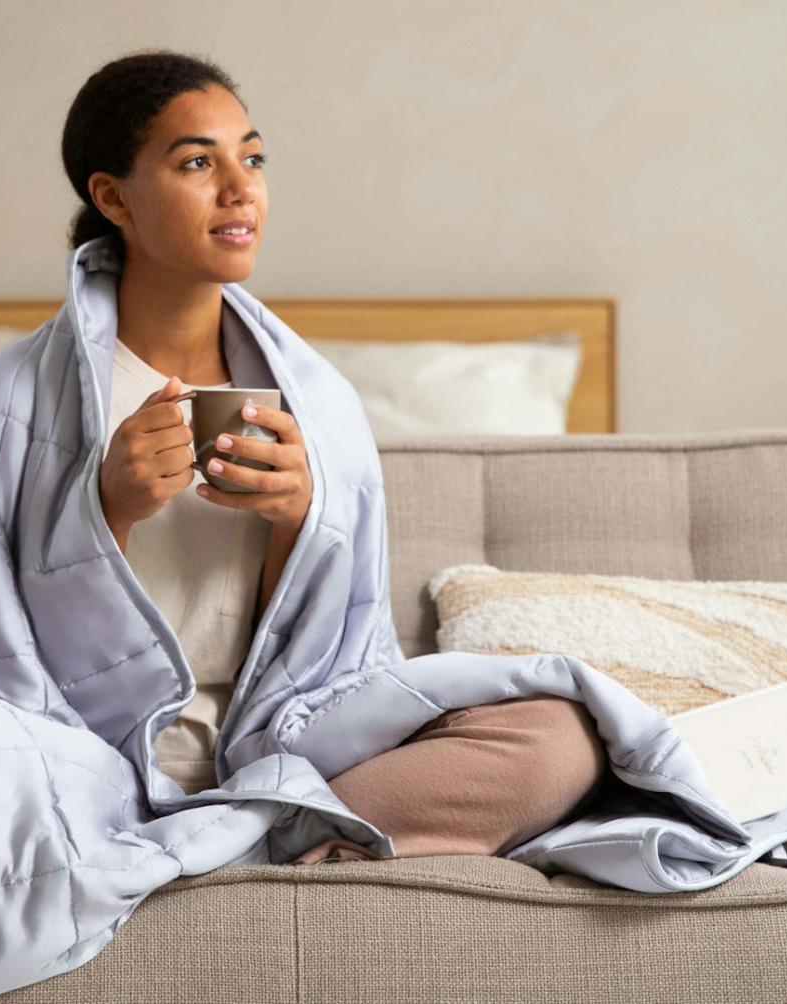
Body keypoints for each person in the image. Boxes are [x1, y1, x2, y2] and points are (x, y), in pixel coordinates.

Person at [62, 49, 611, 863]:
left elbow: (335, 661)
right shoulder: (18, 401)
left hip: (292, 753)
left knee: (559, 737)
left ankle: (265, 824)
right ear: (113, 197)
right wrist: (106, 508)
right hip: (80, 757)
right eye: (196, 164)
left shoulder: (315, 399)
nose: (240, 187)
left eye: (251, 158)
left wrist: (299, 519)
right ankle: (266, 839)